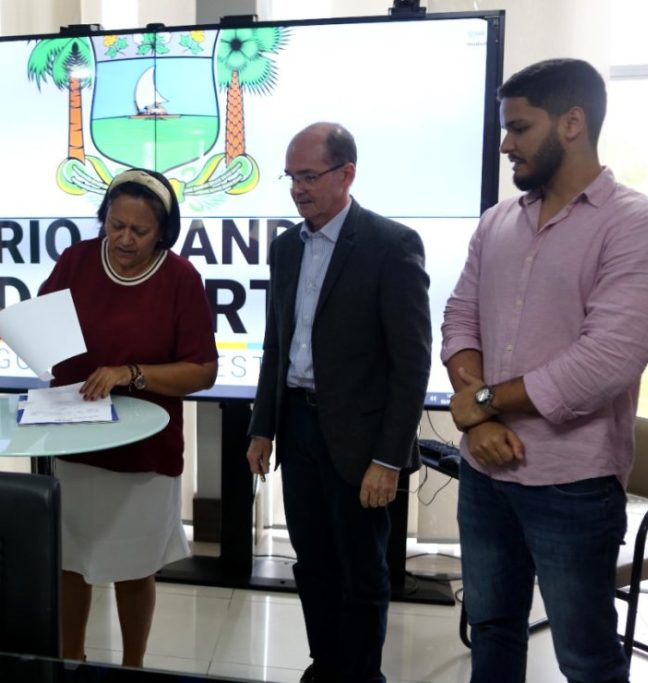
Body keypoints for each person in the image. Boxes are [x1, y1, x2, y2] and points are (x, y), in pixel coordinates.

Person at [442, 58, 648, 683]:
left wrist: (479, 399)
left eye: (519, 127)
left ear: (572, 122)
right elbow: (458, 320)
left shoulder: (634, 225)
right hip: (484, 474)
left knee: (586, 658)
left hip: (572, 484)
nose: (505, 144)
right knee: (492, 632)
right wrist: (478, 421)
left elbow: (607, 360)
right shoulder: (498, 222)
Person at [0, 168, 217, 667]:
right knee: (71, 563)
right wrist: (7, 324)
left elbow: (201, 372)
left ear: (163, 232)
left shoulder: (180, 279)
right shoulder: (77, 260)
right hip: (76, 440)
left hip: (144, 452)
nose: (124, 239)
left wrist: (130, 374)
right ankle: (73, 661)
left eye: (139, 230)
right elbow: (45, 326)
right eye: (115, 225)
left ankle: (133, 666)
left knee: (134, 569)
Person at [246, 122, 432, 683]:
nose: (298, 189)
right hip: (298, 426)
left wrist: (389, 458)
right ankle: (325, 666)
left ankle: (359, 675)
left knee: (362, 570)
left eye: (309, 176)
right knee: (315, 563)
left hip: (362, 440)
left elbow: (412, 363)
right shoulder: (286, 247)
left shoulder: (389, 245)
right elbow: (276, 344)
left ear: (346, 174)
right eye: (291, 177)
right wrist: (262, 427)